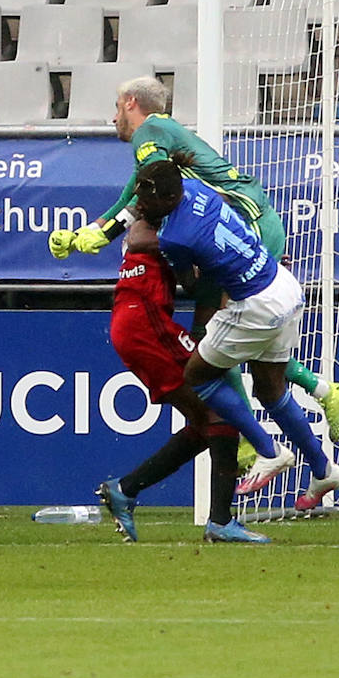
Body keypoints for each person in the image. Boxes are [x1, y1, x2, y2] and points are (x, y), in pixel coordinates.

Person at [47, 76, 339, 468]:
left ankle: (252, 444)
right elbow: (140, 190)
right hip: (253, 221)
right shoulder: (165, 137)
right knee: (234, 350)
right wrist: (94, 231)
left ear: (129, 102)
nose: (113, 119)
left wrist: (100, 234)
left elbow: (148, 191)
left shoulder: (151, 131)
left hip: (244, 225)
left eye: (115, 108)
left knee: (209, 345)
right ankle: (320, 396)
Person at [129, 157, 339, 512]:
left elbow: (187, 279)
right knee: (270, 389)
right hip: (284, 284)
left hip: (256, 303)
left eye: (146, 199)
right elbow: (228, 207)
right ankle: (324, 470)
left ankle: (268, 450)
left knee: (198, 375)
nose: (140, 204)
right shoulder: (199, 188)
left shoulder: (175, 237)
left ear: (168, 199)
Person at [96, 219, 271, 543]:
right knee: (220, 414)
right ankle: (219, 522)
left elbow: (188, 280)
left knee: (207, 422)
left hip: (138, 323)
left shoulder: (169, 220)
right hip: (146, 326)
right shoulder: (156, 218)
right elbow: (139, 237)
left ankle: (126, 489)